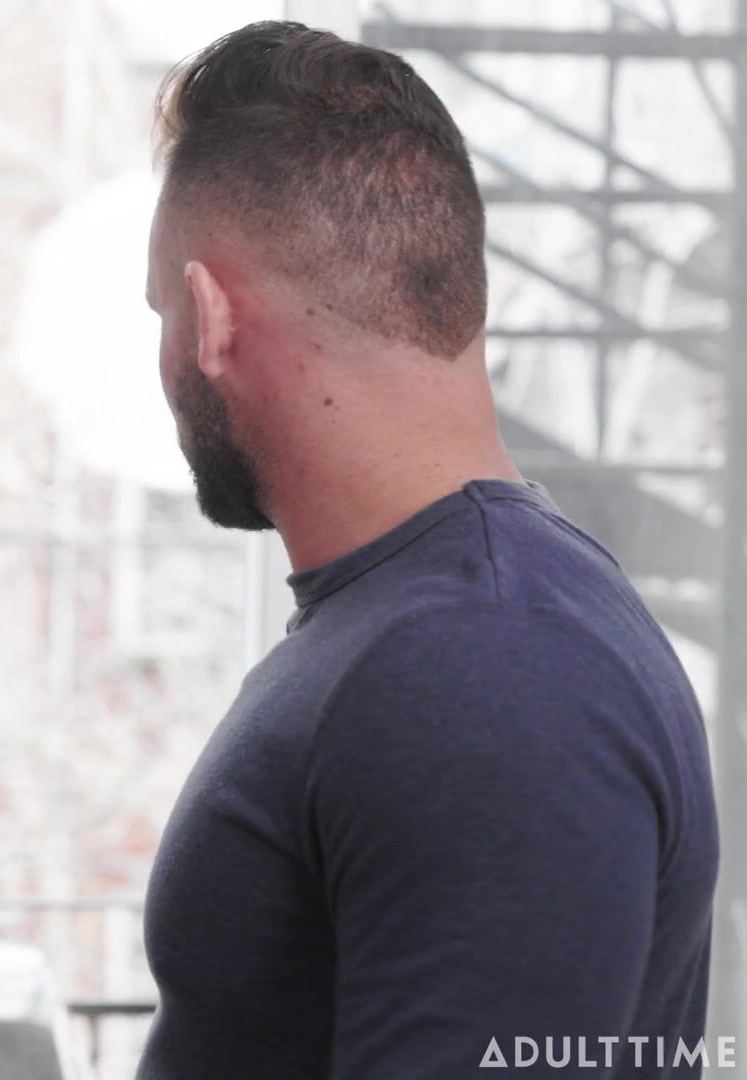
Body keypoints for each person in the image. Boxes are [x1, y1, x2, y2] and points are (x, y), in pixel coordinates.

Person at [137, 22, 719, 1078]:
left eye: (162, 311)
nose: (162, 355)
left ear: (212, 317)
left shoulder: (483, 664)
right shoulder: (448, 628)